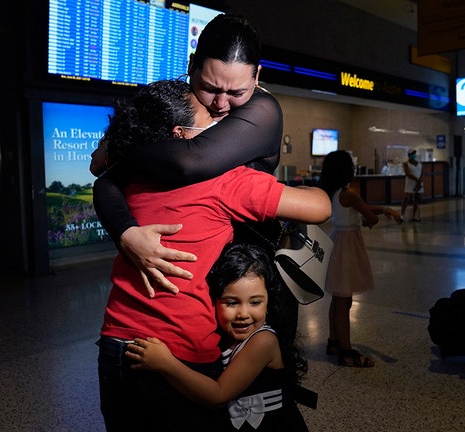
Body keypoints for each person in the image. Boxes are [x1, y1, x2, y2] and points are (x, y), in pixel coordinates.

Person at [97, 79, 331, 432]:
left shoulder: (133, 175)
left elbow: (100, 171)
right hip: (178, 352)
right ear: (181, 135)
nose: (221, 120)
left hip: (115, 344)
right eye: (208, 115)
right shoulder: (226, 182)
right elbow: (320, 206)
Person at [126, 243, 310, 431]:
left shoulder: (263, 341)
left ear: (268, 302)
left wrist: (165, 363)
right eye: (232, 303)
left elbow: (218, 396)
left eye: (255, 302)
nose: (243, 313)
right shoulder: (223, 337)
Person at [317, 150, 403, 368]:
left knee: (338, 297)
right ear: (347, 169)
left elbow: (360, 209)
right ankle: (346, 352)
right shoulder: (350, 193)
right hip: (348, 244)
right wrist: (376, 216)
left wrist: (384, 210)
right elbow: (368, 215)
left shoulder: (335, 192)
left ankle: (334, 341)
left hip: (338, 239)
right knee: (345, 299)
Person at [401, 149, 423, 222]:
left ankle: (414, 215)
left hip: (418, 182)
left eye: (414, 154)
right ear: (409, 155)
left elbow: (422, 173)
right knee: (406, 198)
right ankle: (402, 215)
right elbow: (407, 173)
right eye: (412, 154)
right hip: (410, 182)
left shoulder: (419, 164)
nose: (414, 155)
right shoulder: (406, 164)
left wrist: (420, 180)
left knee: (416, 198)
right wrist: (416, 179)